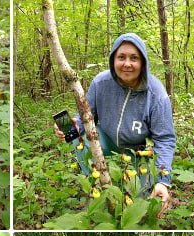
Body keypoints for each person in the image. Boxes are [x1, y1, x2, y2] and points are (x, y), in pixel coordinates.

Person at [54, 33, 176, 213]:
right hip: (107, 139)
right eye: (121, 57)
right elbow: (86, 116)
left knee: (138, 202)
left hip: (137, 149)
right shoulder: (101, 82)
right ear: (113, 60)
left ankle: (139, 185)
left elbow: (165, 139)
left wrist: (163, 180)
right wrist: (71, 128)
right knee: (78, 138)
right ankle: (97, 186)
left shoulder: (156, 94)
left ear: (143, 63)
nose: (127, 63)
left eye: (134, 58)